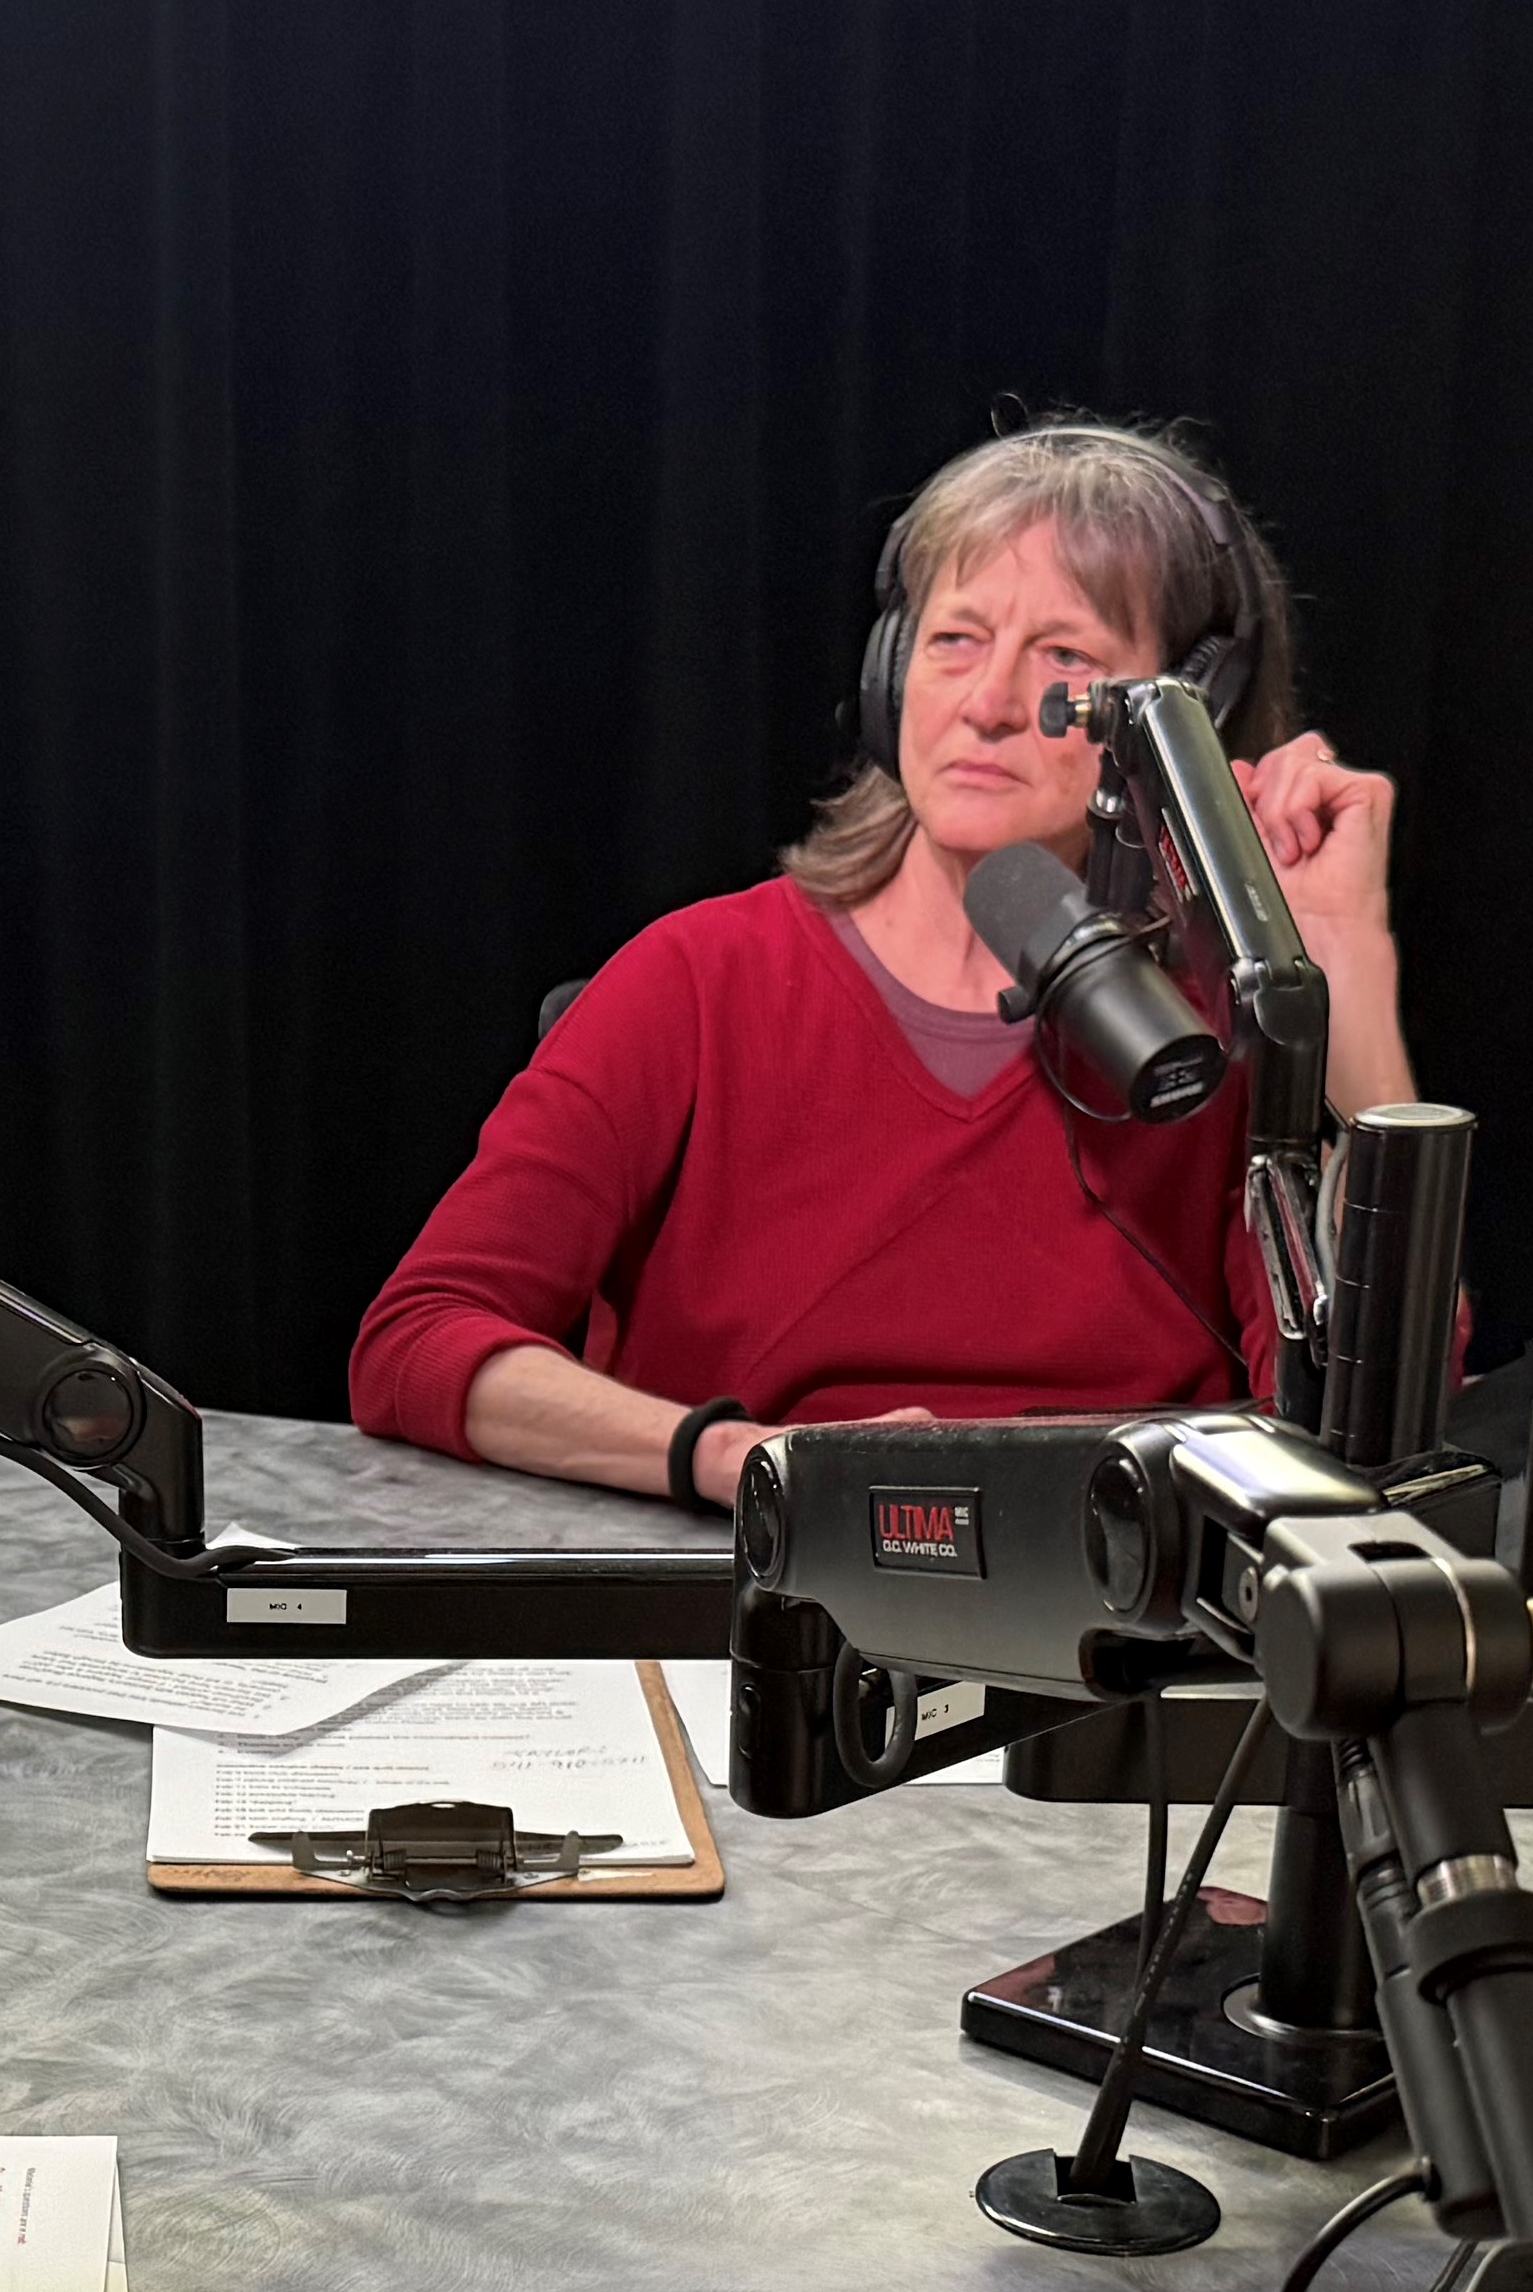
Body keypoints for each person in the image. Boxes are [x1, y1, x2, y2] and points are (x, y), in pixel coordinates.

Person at [348, 419, 1415, 1510]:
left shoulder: (1218, 1035)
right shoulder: (698, 980)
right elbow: (420, 1341)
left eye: (1067, 659)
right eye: (956, 639)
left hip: (1109, 1597)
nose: (988, 704)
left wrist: (1344, 987)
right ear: (891, 674)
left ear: (1187, 716)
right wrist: (743, 1459)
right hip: (760, 1584)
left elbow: (1372, 1436)